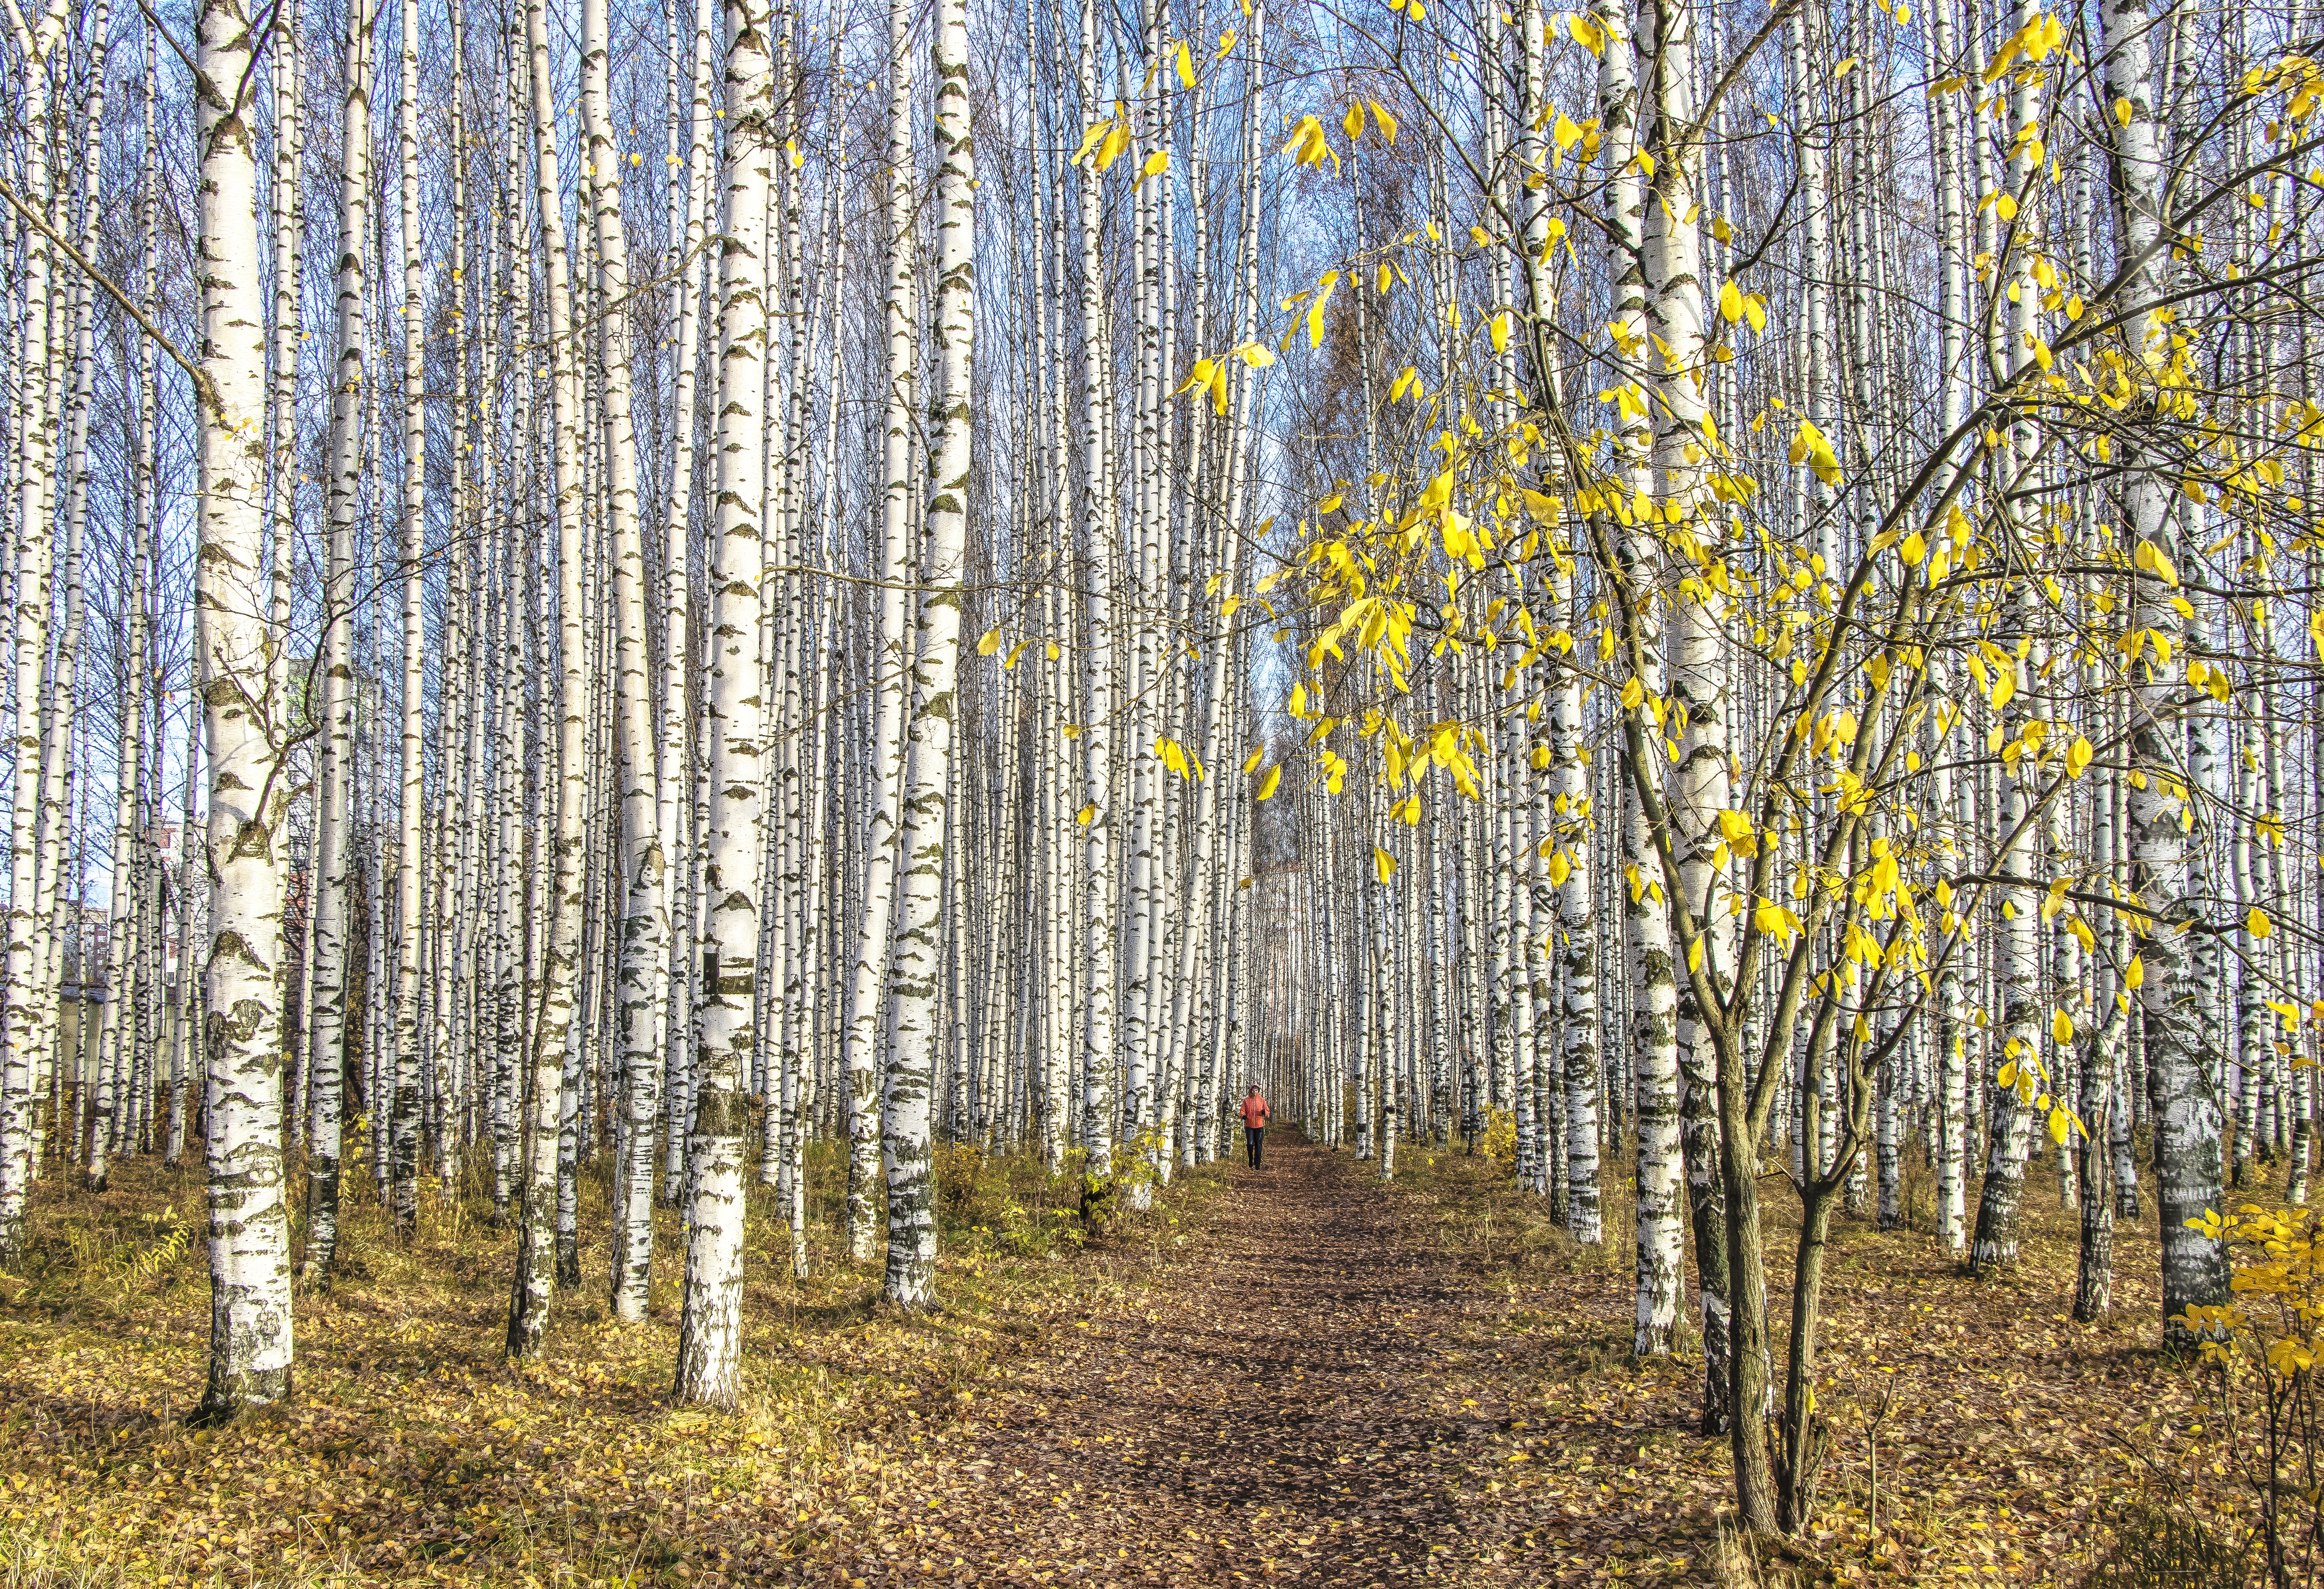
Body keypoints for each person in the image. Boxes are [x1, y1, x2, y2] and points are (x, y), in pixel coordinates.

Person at [1238, 1084, 1270, 1170]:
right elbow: (1242, 1111)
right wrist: (1243, 1116)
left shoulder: (1262, 1100)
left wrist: (1264, 1112)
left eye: (1256, 1090)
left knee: (1259, 1145)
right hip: (1249, 1125)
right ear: (1250, 1091)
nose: (1254, 1092)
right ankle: (1251, 1159)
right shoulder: (1246, 1101)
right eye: (1253, 1090)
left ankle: (1258, 1163)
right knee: (1250, 1144)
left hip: (1260, 1125)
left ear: (1258, 1091)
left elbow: (1267, 1111)